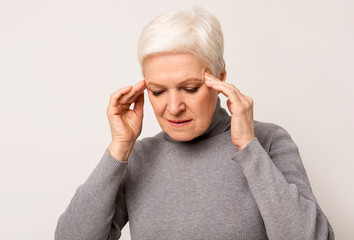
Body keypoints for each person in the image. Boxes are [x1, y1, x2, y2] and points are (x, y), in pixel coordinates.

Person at [55, 7, 334, 240]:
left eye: (189, 88)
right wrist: (119, 149)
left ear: (220, 76)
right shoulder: (139, 157)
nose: (174, 108)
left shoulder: (268, 141)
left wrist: (249, 147)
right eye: (158, 91)